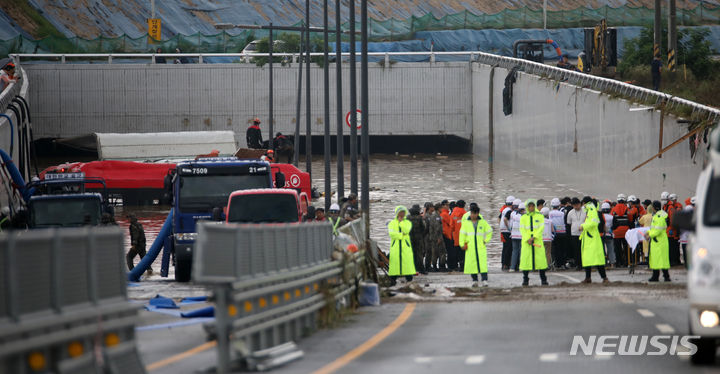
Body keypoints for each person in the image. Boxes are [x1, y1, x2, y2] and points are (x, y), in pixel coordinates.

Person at [460, 205, 492, 287]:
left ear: (477, 213)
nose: (472, 215)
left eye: (474, 213)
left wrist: (485, 240)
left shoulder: (482, 222)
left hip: (480, 247)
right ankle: (474, 280)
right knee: (472, 263)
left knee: (482, 264)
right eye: (471, 213)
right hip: (470, 247)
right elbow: (462, 234)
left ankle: (484, 279)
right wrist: (462, 244)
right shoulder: (466, 223)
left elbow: (489, 231)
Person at [580, 199, 609, 283]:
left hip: (592, 239)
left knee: (597, 259)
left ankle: (604, 278)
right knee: (588, 260)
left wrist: (583, 226)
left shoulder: (592, 210)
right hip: (589, 239)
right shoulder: (590, 211)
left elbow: (594, 223)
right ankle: (588, 277)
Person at [519, 199, 548, 286]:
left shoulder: (540, 216)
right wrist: (527, 238)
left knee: (540, 261)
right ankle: (525, 279)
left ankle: (543, 279)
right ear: (527, 207)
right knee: (526, 261)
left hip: (537, 241)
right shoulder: (523, 217)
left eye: (532, 206)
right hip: (526, 242)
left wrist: (534, 237)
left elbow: (541, 228)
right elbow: (522, 230)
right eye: (529, 206)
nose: (531, 208)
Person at [388, 206, 415, 286]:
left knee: (406, 262)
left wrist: (401, 223)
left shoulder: (407, 222)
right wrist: (401, 234)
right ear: (397, 213)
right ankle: (393, 280)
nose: (401, 214)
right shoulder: (392, 223)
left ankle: (409, 279)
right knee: (395, 263)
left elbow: (407, 230)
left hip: (405, 246)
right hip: (395, 246)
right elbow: (391, 234)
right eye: (400, 212)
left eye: (403, 212)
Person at [646, 200, 671, 282]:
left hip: (658, 241)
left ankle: (656, 276)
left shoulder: (659, 217)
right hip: (659, 241)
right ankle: (665, 276)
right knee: (661, 259)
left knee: (657, 259)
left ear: (654, 208)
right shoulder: (660, 215)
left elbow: (657, 230)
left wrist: (649, 234)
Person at [610, 194, 631, 267]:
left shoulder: (614, 209)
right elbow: (630, 218)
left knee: (617, 248)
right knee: (626, 247)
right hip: (626, 231)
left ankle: (619, 262)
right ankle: (627, 262)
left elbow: (611, 219)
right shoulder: (627, 209)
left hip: (616, 232)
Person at [566, 197, 586, 270]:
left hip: (583, 233)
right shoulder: (570, 212)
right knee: (576, 250)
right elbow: (569, 223)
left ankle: (585, 264)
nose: (576, 206)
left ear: (580, 204)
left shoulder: (585, 211)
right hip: (574, 233)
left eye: (577, 204)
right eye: (574, 205)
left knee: (583, 249)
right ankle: (578, 265)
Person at [664, 193, 683, 266]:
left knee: (674, 245)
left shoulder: (675, 207)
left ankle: (675, 260)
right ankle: (674, 260)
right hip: (671, 228)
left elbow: (673, 218)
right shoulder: (669, 207)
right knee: (673, 245)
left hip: (674, 229)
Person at [408, 205, 427, 275]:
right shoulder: (419, 218)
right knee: (419, 254)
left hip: (410, 238)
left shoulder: (407, 218)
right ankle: (421, 269)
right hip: (419, 238)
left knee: (411, 253)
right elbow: (424, 227)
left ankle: (412, 268)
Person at [549, 198, 567, 269]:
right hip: (562, 233)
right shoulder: (562, 213)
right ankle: (563, 264)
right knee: (562, 249)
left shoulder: (550, 213)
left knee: (556, 250)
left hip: (554, 234)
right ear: (559, 205)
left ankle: (557, 264)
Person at [427, 203, 446, 272]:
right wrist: (439, 238)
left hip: (435, 236)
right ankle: (437, 266)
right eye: (441, 208)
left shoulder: (436, 216)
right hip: (436, 237)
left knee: (436, 252)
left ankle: (436, 266)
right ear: (439, 209)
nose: (442, 209)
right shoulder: (436, 216)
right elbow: (436, 228)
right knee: (438, 252)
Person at [449, 200, 467, 272]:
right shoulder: (465, 214)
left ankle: (457, 266)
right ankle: (463, 266)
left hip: (456, 235)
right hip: (464, 236)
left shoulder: (453, 214)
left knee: (457, 251)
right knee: (463, 252)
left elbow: (451, 226)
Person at [423, 202, 440, 272]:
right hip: (427, 236)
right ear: (429, 208)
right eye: (432, 206)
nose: (433, 208)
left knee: (431, 251)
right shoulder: (427, 216)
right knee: (428, 251)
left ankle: (429, 266)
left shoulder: (431, 215)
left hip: (431, 235)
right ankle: (427, 266)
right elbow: (426, 227)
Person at [499, 196, 515, 271]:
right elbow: (505, 219)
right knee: (508, 248)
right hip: (507, 231)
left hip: (502, 230)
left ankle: (503, 263)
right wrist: (509, 228)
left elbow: (499, 219)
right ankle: (506, 264)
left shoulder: (504, 210)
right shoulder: (509, 211)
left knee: (505, 247)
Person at [509, 199, 524, 272]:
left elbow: (510, 224)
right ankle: (521, 267)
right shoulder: (525, 217)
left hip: (514, 235)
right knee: (521, 251)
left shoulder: (512, 214)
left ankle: (512, 267)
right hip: (521, 235)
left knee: (514, 251)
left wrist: (511, 231)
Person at [600, 202, 616, 268]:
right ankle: (612, 263)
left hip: (602, 234)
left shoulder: (601, 217)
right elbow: (614, 225)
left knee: (602, 249)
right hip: (610, 235)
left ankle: (603, 263)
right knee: (611, 250)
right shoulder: (611, 217)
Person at [439, 200, 453, 272]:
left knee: (444, 251)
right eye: (447, 205)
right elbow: (451, 223)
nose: (448, 206)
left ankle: (443, 265)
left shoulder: (443, 213)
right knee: (448, 251)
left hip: (445, 234)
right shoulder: (445, 214)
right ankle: (446, 265)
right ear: (443, 205)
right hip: (446, 235)